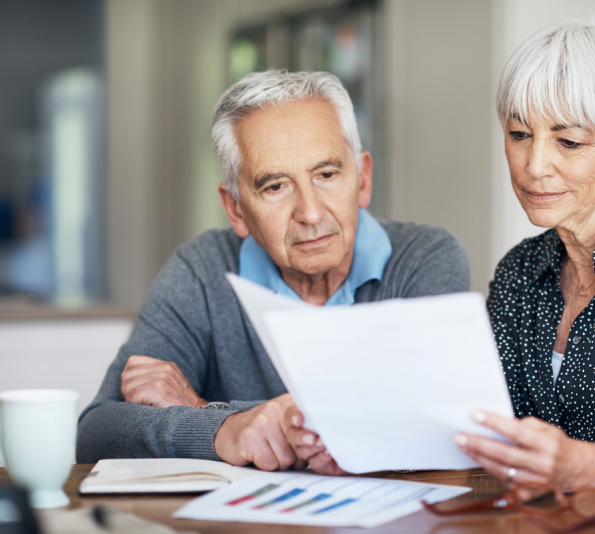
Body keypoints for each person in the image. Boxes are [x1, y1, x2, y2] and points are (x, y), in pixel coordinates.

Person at [288, 17, 595, 530]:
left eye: (568, 142)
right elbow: (478, 425)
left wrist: (583, 464)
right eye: (519, 134)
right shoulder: (519, 273)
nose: (534, 165)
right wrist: (369, 449)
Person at [76, 70, 470, 471]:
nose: (311, 213)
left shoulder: (426, 257)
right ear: (235, 209)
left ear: (363, 179)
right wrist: (227, 429)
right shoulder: (200, 270)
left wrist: (205, 410)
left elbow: (429, 419)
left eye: (327, 175)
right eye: (275, 186)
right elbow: (96, 432)